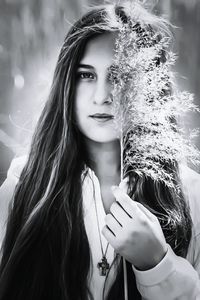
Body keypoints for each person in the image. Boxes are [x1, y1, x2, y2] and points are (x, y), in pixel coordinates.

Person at [0, 2, 200, 300]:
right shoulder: (25, 184)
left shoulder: (190, 195)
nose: (103, 96)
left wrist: (157, 264)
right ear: (67, 83)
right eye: (86, 75)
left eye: (120, 76)